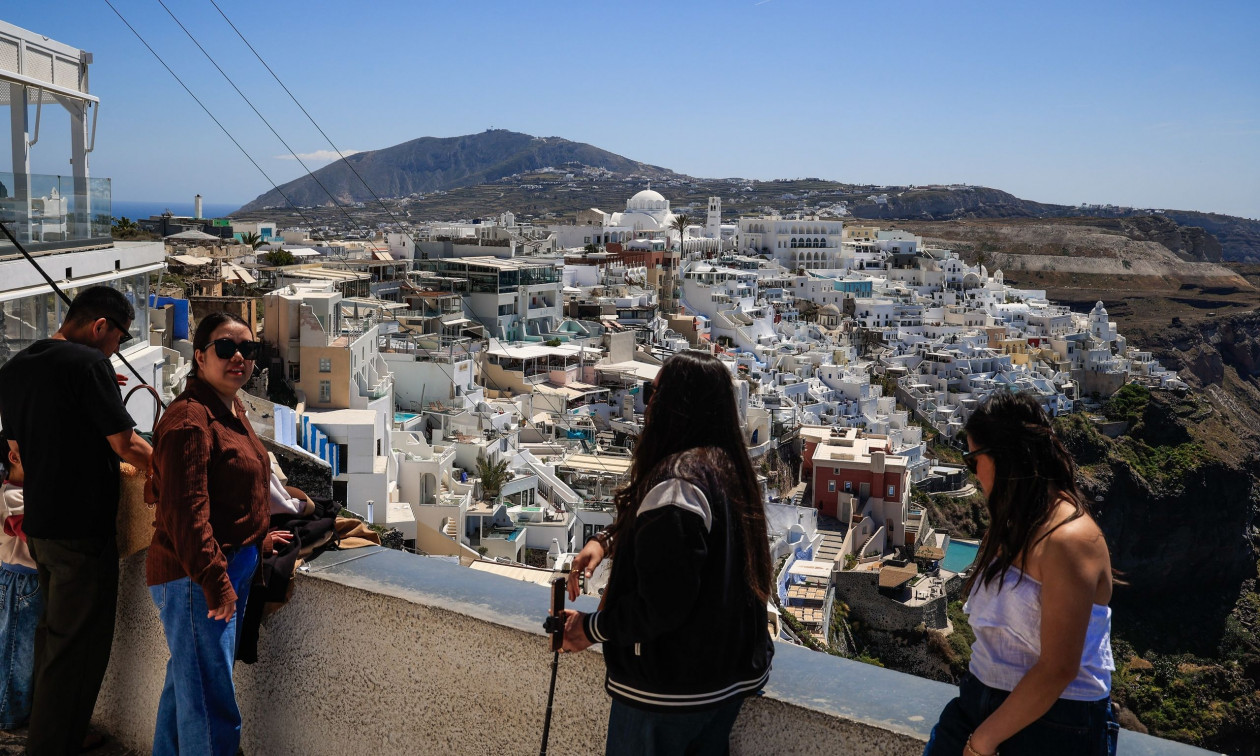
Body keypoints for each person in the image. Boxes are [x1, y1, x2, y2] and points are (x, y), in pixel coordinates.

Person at [560, 350, 774, 756]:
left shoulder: (678, 484)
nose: (646, 404)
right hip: (725, 683)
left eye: (652, 392)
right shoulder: (728, 471)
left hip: (667, 693)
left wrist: (589, 628)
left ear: (676, 404)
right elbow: (680, 546)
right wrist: (605, 542)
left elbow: (661, 605)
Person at [0, 285, 151, 755]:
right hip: (80, 529)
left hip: (41, 525)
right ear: (100, 325)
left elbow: (19, 450)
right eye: (119, 338)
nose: (116, 349)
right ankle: (52, 745)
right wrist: (179, 468)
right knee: (79, 649)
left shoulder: (17, 367)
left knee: (54, 638)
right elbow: (127, 444)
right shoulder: (88, 365)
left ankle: (53, 731)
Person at [923, 391, 1118, 756]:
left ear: (1005, 455)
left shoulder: (1070, 539)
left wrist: (983, 742)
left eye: (973, 461)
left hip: (1056, 726)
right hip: (978, 706)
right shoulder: (1016, 525)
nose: (973, 474)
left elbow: (1059, 668)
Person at [146, 312, 280, 755]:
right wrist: (214, 580)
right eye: (225, 347)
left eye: (248, 349)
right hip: (196, 577)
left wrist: (257, 535)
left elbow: (234, 488)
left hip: (222, 566)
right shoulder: (190, 420)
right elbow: (185, 512)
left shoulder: (228, 406)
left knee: (189, 688)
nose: (239, 357)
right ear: (200, 357)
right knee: (210, 705)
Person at [0, 434, 40, 731]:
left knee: (23, 649)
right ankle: (8, 714)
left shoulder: (23, 491)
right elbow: (31, 533)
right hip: (20, 583)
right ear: (14, 458)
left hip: (25, 581)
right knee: (17, 651)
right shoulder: (12, 495)